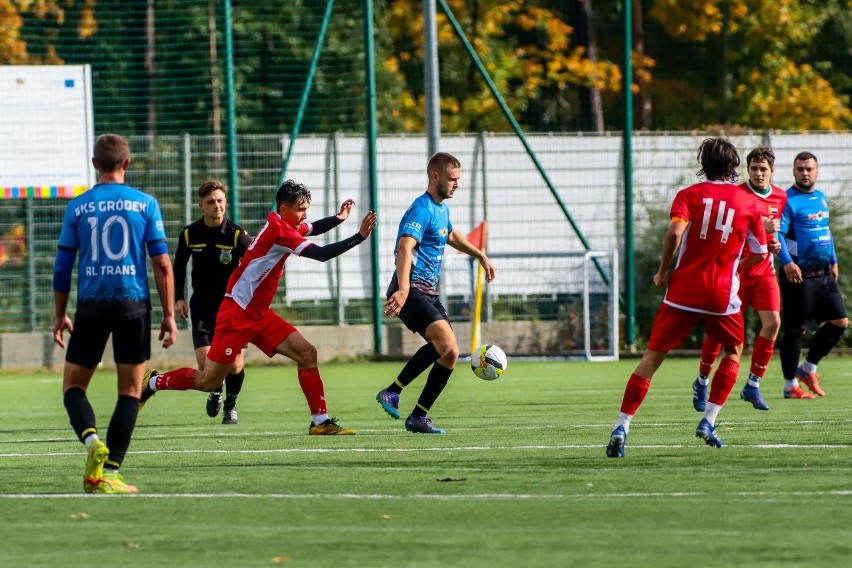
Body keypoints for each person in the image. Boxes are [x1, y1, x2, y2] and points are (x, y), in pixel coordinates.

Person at [139, 180, 376, 435]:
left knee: (307, 353)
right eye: (301, 208)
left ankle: (320, 421)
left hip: (259, 314)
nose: (305, 214)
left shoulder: (284, 223)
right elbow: (321, 254)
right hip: (238, 314)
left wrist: (339, 218)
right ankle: (153, 382)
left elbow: (312, 227)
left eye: (306, 208)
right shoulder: (280, 232)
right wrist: (359, 237)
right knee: (208, 381)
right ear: (284, 210)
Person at [606, 138, 768, 458]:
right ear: (734, 165)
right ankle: (708, 420)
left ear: (703, 163)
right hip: (722, 294)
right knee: (734, 352)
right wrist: (734, 270)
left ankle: (622, 426)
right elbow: (760, 252)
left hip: (682, 291)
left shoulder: (689, 195)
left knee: (652, 357)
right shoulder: (749, 203)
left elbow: (674, 233)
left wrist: (663, 271)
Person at [53, 133, 177, 493]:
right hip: (133, 305)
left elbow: (63, 268)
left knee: (74, 387)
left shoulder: (77, 207)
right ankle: (109, 473)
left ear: (94, 165)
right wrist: (169, 314)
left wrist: (60, 315)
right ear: (126, 163)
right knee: (130, 391)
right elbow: (163, 264)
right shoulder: (145, 204)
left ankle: (92, 441)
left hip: (91, 305)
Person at [376, 152, 496, 434]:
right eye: (452, 179)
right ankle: (392, 391)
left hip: (428, 292)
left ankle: (419, 416)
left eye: (458, 180)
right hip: (411, 288)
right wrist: (404, 289)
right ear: (435, 177)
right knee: (443, 341)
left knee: (450, 352)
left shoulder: (441, 209)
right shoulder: (422, 207)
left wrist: (479, 254)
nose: (457, 184)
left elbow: (449, 234)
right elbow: (405, 247)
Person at [691, 146, 789, 411]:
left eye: (763, 169)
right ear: (747, 170)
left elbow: (775, 232)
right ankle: (702, 380)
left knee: (773, 323)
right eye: (754, 169)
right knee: (720, 333)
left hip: (764, 271)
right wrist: (760, 229)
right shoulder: (738, 195)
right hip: (736, 272)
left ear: (772, 171)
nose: (758, 174)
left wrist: (774, 243)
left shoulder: (780, 196)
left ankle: (753, 385)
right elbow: (732, 228)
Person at [173, 180, 252, 424]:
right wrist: (178, 298)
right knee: (206, 364)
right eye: (210, 202)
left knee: (235, 364)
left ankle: (231, 405)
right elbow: (178, 267)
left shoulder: (237, 235)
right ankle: (215, 390)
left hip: (232, 307)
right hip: (202, 306)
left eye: (220, 201)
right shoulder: (189, 233)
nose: (216, 206)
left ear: (225, 203)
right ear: (201, 206)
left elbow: (255, 264)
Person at [777, 152, 848, 398]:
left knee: (840, 322)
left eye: (809, 168)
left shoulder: (821, 198)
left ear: (817, 171)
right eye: (800, 169)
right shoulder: (787, 200)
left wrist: (834, 260)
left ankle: (808, 369)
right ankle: (790, 386)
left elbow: (824, 231)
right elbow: (778, 236)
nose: (805, 173)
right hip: (798, 273)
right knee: (797, 330)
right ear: (794, 172)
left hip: (823, 272)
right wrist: (786, 263)